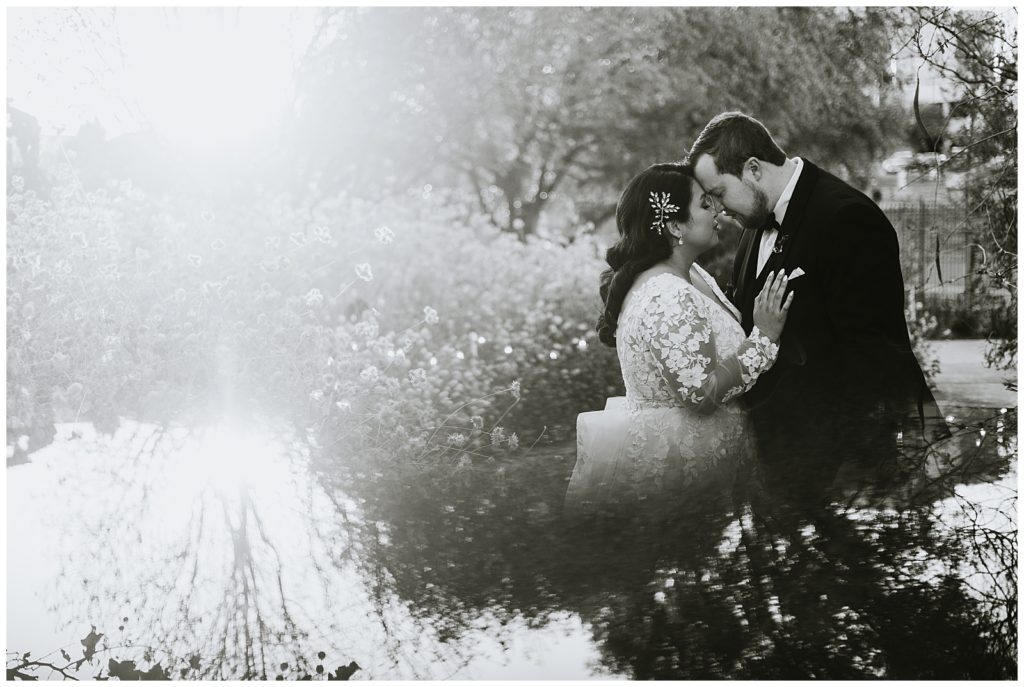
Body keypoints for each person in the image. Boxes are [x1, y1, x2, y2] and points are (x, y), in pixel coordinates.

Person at [687, 111, 948, 502]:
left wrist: (855, 471)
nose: (720, 209)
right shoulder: (755, 222)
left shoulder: (847, 217)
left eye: (720, 193)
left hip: (831, 469)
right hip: (770, 462)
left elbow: (874, 350)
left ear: (753, 169)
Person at [565, 163, 793, 513]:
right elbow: (699, 394)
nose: (718, 209)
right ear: (674, 226)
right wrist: (763, 339)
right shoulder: (666, 295)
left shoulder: (690, 276)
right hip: (682, 477)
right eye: (704, 204)